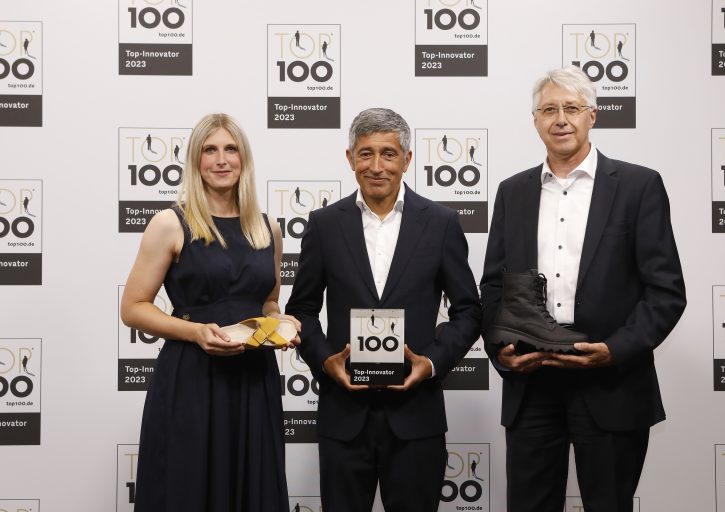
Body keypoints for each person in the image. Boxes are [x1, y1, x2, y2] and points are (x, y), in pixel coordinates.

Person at [480, 67, 686, 512]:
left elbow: (666, 291)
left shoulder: (638, 186)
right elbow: (494, 286)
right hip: (532, 382)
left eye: (572, 108)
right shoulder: (512, 192)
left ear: (593, 115)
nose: (561, 119)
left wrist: (615, 348)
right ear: (535, 120)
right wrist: (501, 351)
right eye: (549, 109)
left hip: (612, 381)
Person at [286, 107, 481, 512]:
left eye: (389, 154)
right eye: (366, 153)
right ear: (350, 158)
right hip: (344, 416)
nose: (377, 166)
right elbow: (302, 308)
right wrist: (325, 362)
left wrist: (430, 363)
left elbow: (468, 311)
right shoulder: (323, 224)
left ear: (407, 159)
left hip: (416, 417)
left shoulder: (441, 222)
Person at [121, 113, 300, 512]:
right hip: (192, 380)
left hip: (254, 382)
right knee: (187, 490)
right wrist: (196, 332)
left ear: (244, 158)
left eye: (231, 149)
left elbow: (268, 301)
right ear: (196, 161)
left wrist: (282, 322)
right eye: (210, 150)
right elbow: (132, 308)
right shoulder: (170, 223)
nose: (222, 160)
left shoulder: (267, 228)